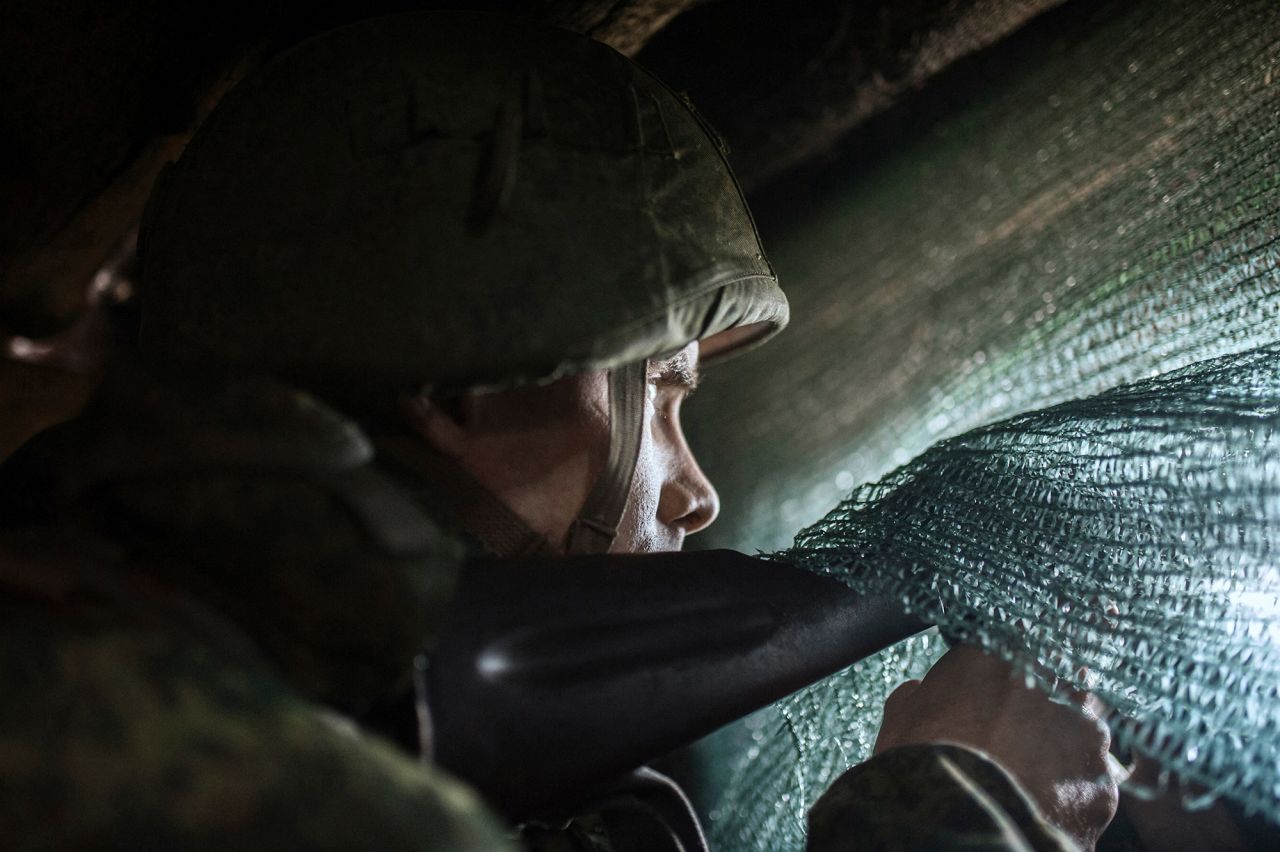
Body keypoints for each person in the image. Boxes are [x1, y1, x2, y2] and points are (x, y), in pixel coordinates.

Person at [0, 11, 1115, 850]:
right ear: (460, 388)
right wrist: (955, 808)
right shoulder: (151, 732)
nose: (695, 494)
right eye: (662, 394)